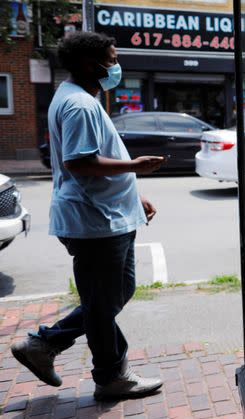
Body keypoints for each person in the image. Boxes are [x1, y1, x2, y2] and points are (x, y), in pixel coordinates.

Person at [11, 32, 165, 400]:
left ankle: (45, 346)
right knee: (102, 304)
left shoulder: (79, 99)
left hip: (109, 216)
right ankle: (107, 376)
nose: (116, 65)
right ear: (88, 64)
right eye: (111, 59)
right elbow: (79, 163)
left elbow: (91, 160)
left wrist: (133, 192)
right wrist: (135, 166)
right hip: (96, 223)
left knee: (114, 295)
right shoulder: (79, 105)